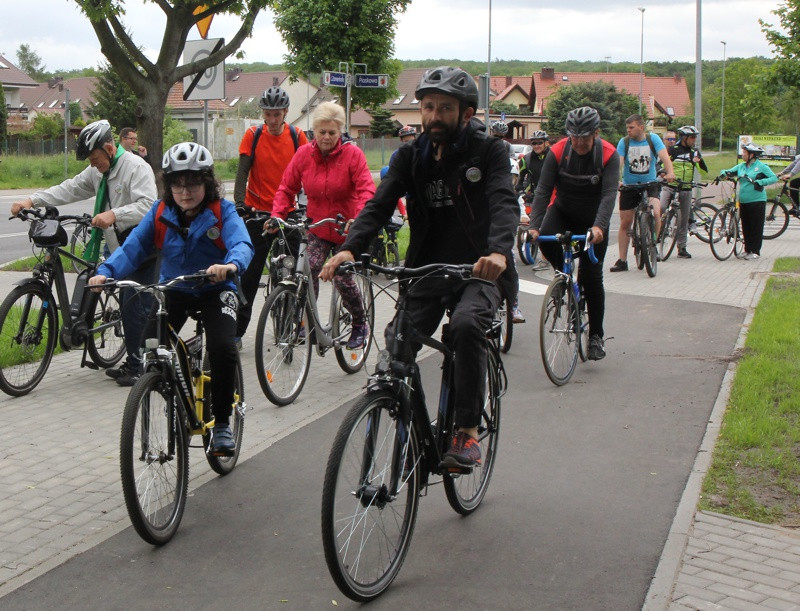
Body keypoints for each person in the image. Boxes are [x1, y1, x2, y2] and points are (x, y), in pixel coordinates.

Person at [321, 66, 519, 471]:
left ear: (465, 113)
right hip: (426, 269)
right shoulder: (412, 157)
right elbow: (378, 204)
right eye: (427, 107)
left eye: (444, 108)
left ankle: (466, 431)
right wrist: (349, 248)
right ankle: (402, 412)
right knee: (398, 343)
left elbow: (503, 202)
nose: (433, 117)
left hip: (480, 270)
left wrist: (499, 252)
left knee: (465, 327)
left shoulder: (489, 152)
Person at [88, 142, 254, 453]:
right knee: (150, 343)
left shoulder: (222, 211)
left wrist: (230, 265)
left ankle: (220, 424)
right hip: (175, 288)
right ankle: (169, 384)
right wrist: (107, 271)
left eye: (193, 182)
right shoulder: (161, 212)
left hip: (216, 289)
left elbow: (242, 244)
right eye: (177, 183)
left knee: (222, 348)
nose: (185, 191)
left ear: (207, 182)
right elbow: (133, 247)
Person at [10, 119, 157, 386]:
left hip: (143, 246)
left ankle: (139, 367)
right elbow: (70, 188)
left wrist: (115, 214)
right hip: (118, 247)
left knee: (132, 302)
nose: (92, 164)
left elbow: (149, 206)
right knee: (121, 295)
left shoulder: (136, 168)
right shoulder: (98, 172)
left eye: (94, 158)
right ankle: (134, 352)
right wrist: (32, 200)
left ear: (110, 149)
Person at [270, 101, 375, 349]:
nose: (326, 137)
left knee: (341, 276)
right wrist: (277, 215)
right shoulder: (304, 155)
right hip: (318, 227)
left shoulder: (353, 155)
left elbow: (366, 191)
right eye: (321, 132)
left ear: (340, 133)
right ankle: (307, 322)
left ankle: (360, 323)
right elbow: (286, 187)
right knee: (309, 268)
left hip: (346, 231)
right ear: (313, 132)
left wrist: (358, 220)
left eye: (332, 132)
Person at [527, 106, 619, 360]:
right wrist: (534, 225)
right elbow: (543, 191)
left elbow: (610, 194)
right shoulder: (557, 152)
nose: (578, 142)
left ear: (596, 133)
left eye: (585, 137)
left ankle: (597, 336)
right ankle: (562, 278)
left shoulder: (609, 155)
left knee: (592, 277)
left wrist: (600, 226)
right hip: (564, 211)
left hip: (593, 221)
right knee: (546, 235)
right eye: (574, 136)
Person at [233, 86, 309, 343]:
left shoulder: (298, 136)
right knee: (250, 274)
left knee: (297, 272)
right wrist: (240, 204)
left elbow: (308, 173)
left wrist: (309, 205)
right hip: (259, 212)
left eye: (277, 114)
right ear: (263, 113)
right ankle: (237, 331)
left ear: (286, 112)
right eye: (268, 114)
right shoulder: (253, 135)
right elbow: (242, 172)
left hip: (288, 212)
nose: (273, 120)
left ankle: (296, 324)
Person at [610, 114, 675, 272]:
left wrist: (670, 172)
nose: (629, 131)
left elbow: (664, 157)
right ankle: (622, 260)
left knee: (656, 212)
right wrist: (616, 180)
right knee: (625, 223)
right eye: (627, 128)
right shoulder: (624, 142)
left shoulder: (653, 139)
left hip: (650, 184)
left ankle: (653, 242)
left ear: (641, 127)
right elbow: (618, 163)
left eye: (631, 127)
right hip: (629, 186)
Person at [718, 143, 778, 259]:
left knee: (756, 226)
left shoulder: (761, 166)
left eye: (745, 153)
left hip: (757, 200)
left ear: (752, 155)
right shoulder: (741, 166)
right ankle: (747, 249)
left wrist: (760, 182)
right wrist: (723, 173)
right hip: (744, 201)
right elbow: (728, 171)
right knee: (746, 226)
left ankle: (755, 251)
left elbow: (774, 178)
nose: (743, 155)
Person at [658, 125, 708, 259]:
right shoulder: (672, 150)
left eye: (695, 137)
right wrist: (664, 173)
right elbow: (661, 165)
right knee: (661, 208)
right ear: (684, 137)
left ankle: (682, 247)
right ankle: (655, 238)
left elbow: (703, 172)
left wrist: (699, 162)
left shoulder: (694, 152)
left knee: (684, 219)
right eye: (692, 137)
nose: (694, 140)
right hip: (670, 186)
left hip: (686, 188)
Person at [517, 130, 550, 195]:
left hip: (552, 196)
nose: (536, 146)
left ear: (546, 143)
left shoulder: (554, 156)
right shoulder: (526, 159)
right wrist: (521, 191)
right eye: (534, 143)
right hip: (534, 196)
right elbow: (520, 179)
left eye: (539, 143)